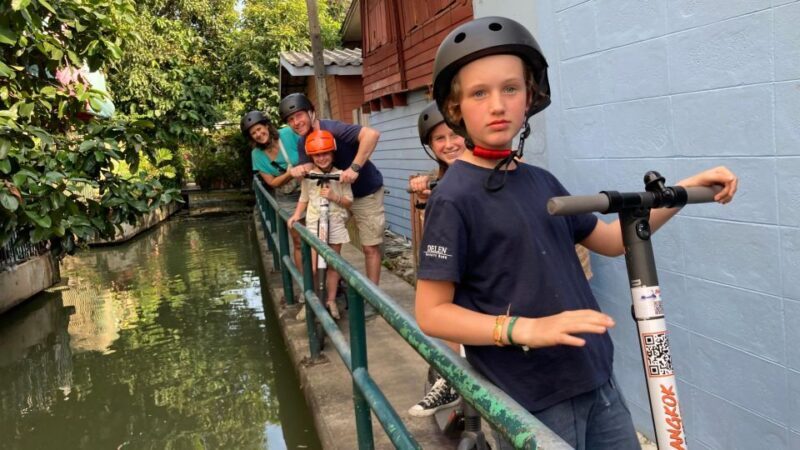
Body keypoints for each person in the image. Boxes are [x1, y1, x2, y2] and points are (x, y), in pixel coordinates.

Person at [414, 17, 738, 450]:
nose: (497, 105)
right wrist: (522, 329)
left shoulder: (540, 181)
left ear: (529, 97)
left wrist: (682, 191)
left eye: (510, 89)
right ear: (455, 109)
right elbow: (432, 312)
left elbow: (614, 240)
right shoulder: (453, 197)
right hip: (531, 398)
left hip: (595, 377)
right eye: (479, 93)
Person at [280, 93, 385, 291]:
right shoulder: (303, 142)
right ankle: (330, 290)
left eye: (299, 116)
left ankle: (374, 296)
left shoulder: (333, 128)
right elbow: (309, 168)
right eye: (290, 120)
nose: (295, 122)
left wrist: (354, 168)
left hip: (363, 191)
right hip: (334, 197)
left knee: (369, 246)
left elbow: (371, 135)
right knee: (325, 243)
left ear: (311, 113)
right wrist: (298, 170)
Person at [407, 102, 466, 417]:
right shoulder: (436, 179)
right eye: (439, 139)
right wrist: (425, 197)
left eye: (455, 133)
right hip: (463, 266)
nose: (449, 143)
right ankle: (450, 378)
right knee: (441, 302)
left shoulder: (496, 168)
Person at [287, 130, 353, 320]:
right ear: (311, 156)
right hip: (315, 224)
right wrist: (296, 215)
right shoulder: (309, 176)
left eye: (325, 153)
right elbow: (304, 197)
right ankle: (311, 300)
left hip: (336, 223)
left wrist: (335, 196)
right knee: (313, 267)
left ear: (332, 153)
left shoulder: (341, 176)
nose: (322, 158)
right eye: (317, 154)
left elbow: (349, 201)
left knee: (333, 265)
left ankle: (331, 300)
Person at [242, 111, 304, 272]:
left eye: (259, 129)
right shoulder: (256, 155)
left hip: (308, 187)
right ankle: (308, 286)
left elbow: (309, 149)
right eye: (253, 133)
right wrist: (290, 173)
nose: (258, 134)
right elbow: (271, 182)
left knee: (319, 236)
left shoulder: (288, 134)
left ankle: (330, 280)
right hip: (287, 196)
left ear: (267, 126)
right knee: (298, 241)